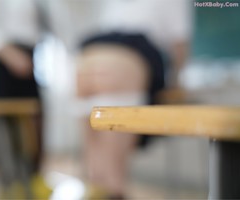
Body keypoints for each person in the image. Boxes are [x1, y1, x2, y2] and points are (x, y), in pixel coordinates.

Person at [76, 0, 192, 198]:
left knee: (95, 171)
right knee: (114, 177)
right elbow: (179, 44)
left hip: (85, 60)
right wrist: (176, 83)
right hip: (124, 62)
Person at [0, 0, 51, 198]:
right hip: (4, 58)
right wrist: (9, 54)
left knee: (36, 122)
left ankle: (34, 177)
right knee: (5, 126)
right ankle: (9, 183)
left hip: (30, 57)